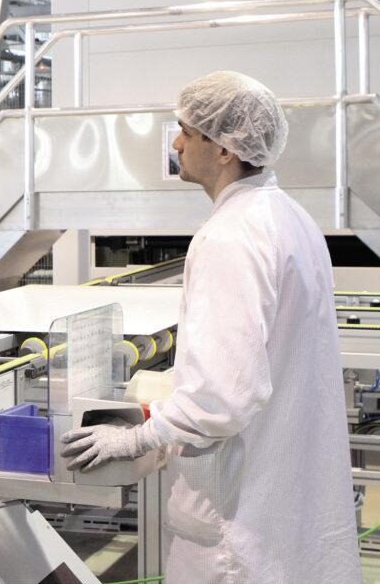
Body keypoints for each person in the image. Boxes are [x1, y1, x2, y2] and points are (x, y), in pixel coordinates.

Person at [60, 71, 361, 584]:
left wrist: (136, 439)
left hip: (236, 528)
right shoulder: (291, 218)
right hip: (286, 502)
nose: (176, 144)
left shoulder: (230, 237)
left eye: (186, 131)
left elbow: (221, 397)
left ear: (224, 149)